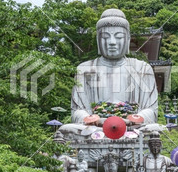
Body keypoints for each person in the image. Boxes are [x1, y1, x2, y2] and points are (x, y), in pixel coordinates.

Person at [56, 8, 158, 139]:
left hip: (132, 127)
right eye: (105, 37)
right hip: (95, 128)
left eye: (119, 37)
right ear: (98, 41)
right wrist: (95, 120)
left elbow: (151, 110)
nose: (112, 42)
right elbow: (77, 111)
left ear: (127, 40)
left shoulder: (143, 68)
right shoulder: (84, 69)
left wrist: (131, 120)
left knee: (154, 129)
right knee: (67, 128)